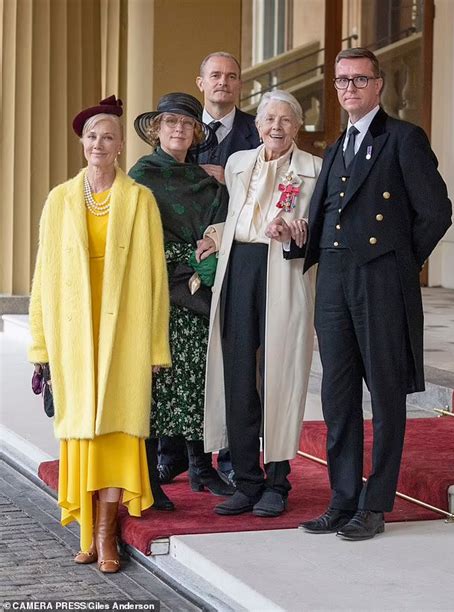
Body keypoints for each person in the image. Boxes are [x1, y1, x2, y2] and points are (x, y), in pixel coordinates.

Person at [268, 47, 452, 540]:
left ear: (378, 85)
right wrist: (295, 240)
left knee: (386, 396)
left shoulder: (404, 138)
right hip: (333, 281)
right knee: (337, 394)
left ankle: (375, 504)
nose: (349, 88)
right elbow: (329, 214)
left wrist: (397, 263)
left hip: (380, 281)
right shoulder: (336, 147)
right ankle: (342, 499)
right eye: (341, 80)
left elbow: (436, 212)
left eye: (359, 79)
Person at [28, 96, 171, 573]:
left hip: (125, 335)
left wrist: (156, 346)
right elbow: (43, 275)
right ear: (82, 143)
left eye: (108, 137)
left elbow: (155, 279)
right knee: (83, 434)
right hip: (73, 334)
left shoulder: (140, 200)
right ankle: (87, 532)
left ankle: (107, 536)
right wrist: (41, 343)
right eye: (92, 136)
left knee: (115, 433)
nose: (99, 144)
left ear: (120, 145)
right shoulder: (59, 199)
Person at [202, 90, 322, 518]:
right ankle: (246, 480)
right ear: (257, 126)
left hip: (284, 273)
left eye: (286, 120)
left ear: (297, 126)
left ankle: (277, 482)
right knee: (238, 374)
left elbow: (321, 230)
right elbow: (238, 218)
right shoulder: (238, 164)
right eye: (269, 119)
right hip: (239, 269)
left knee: (280, 374)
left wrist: (298, 230)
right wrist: (215, 235)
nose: (276, 127)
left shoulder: (314, 170)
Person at [158, 52, 261, 487]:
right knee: (178, 361)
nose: (223, 82)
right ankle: (172, 455)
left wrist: (230, 180)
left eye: (231, 76)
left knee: (233, 362)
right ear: (201, 82)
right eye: (215, 75)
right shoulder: (178, 128)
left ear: (240, 84)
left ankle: (233, 458)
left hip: (239, 260)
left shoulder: (258, 130)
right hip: (180, 270)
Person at [129, 92, 234, 501]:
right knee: (156, 384)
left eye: (187, 124)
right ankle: (148, 476)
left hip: (200, 291)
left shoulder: (204, 178)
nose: (179, 129)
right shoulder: (141, 176)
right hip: (158, 289)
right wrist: (179, 259)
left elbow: (223, 220)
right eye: (171, 122)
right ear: (157, 130)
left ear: (195, 133)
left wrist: (212, 246)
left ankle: (201, 469)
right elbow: (134, 235)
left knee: (198, 379)